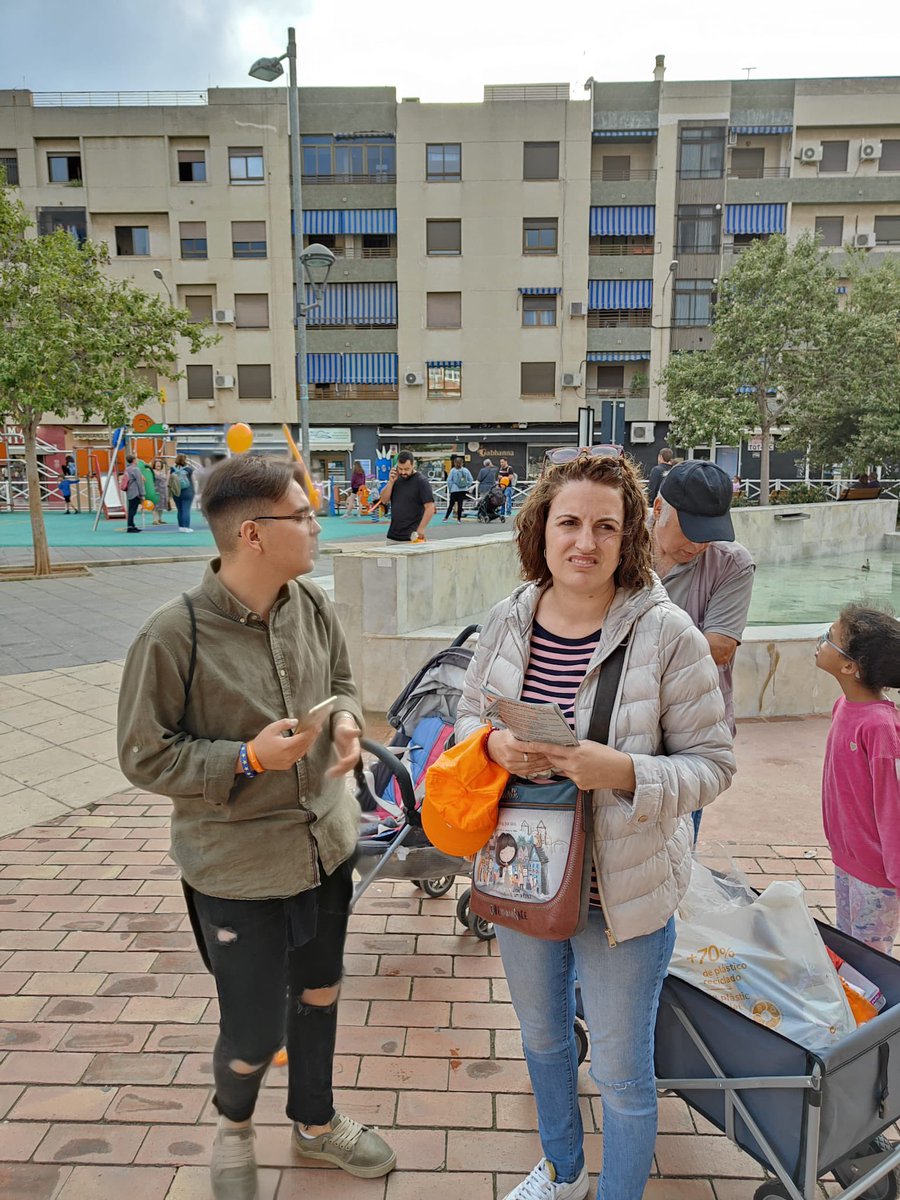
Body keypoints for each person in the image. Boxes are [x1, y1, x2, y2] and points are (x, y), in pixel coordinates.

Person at [456, 452, 735, 1200]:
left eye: (606, 526)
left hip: (625, 895)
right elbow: (463, 720)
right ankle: (565, 1170)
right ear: (541, 528)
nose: (586, 541)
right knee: (545, 1040)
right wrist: (493, 744)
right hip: (523, 874)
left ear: (631, 535)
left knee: (620, 1072)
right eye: (570, 522)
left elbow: (714, 764)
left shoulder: (667, 633)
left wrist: (623, 772)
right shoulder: (510, 617)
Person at [116, 456, 396, 1200]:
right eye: (301, 515)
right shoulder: (173, 636)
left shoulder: (310, 604)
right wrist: (244, 757)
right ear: (252, 533)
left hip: (328, 845)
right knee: (252, 1033)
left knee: (321, 993)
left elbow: (341, 682)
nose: (316, 525)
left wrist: (342, 721)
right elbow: (144, 756)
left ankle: (315, 1121)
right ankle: (233, 1127)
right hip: (237, 868)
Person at [650, 460, 755, 831]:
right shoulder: (619, 546)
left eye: (708, 533)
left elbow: (721, 648)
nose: (698, 544)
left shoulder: (732, 564)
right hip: (625, 727)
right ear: (658, 509)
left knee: (678, 850)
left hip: (690, 734)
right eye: (690, 530)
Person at [816, 605, 900, 956]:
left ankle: (876, 1011)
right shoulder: (843, 707)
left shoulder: (880, 728)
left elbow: (892, 804)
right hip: (848, 857)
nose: (820, 640)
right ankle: (855, 1009)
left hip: (877, 873)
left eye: (830, 638)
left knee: (872, 957)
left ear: (850, 666)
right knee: (848, 945)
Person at [376, 450, 435, 543]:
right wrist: (390, 482)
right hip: (393, 536)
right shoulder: (395, 479)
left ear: (413, 465)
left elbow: (430, 507)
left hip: (412, 536)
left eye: (406, 469)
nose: (403, 472)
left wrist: (421, 528)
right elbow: (383, 500)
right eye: (400, 468)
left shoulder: (421, 481)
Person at [170, 454, 196, 532]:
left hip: (176, 492)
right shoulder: (189, 469)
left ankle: (181, 527)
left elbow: (169, 481)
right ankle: (187, 527)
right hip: (187, 491)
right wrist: (194, 491)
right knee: (186, 509)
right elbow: (194, 481)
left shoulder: (172, 469)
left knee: (179, 509)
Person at [444, 456, 474, 523]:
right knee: (460, 504)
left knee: (451, 504)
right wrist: (466, 485)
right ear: (462, 463)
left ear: (454, 463)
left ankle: (446, 518)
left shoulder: (453, 471)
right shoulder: (466, 470)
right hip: (463, 490)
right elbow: (471, 479)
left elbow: (449, 480)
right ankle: (459, 519)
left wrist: (450, 488)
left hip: (454, 490)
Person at [122, 454, 145, 533]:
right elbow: (139, 482)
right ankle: (130, 526)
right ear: (134, 460)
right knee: (133, 510)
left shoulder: (127, 469)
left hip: (130, 491)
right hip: (135, 492)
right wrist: (142, 494)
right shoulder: (136, 469)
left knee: (131, 508)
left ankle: (131, 524)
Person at [151, 458, 168, 524]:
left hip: (163, 491)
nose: (158, 465)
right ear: (154, 465)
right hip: (155, 490)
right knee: (155, 506)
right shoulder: (152, 472)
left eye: (159, 464)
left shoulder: (162, 472)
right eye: (157, 464)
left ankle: (160, 519)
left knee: (161, 506)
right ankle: (155, 520)